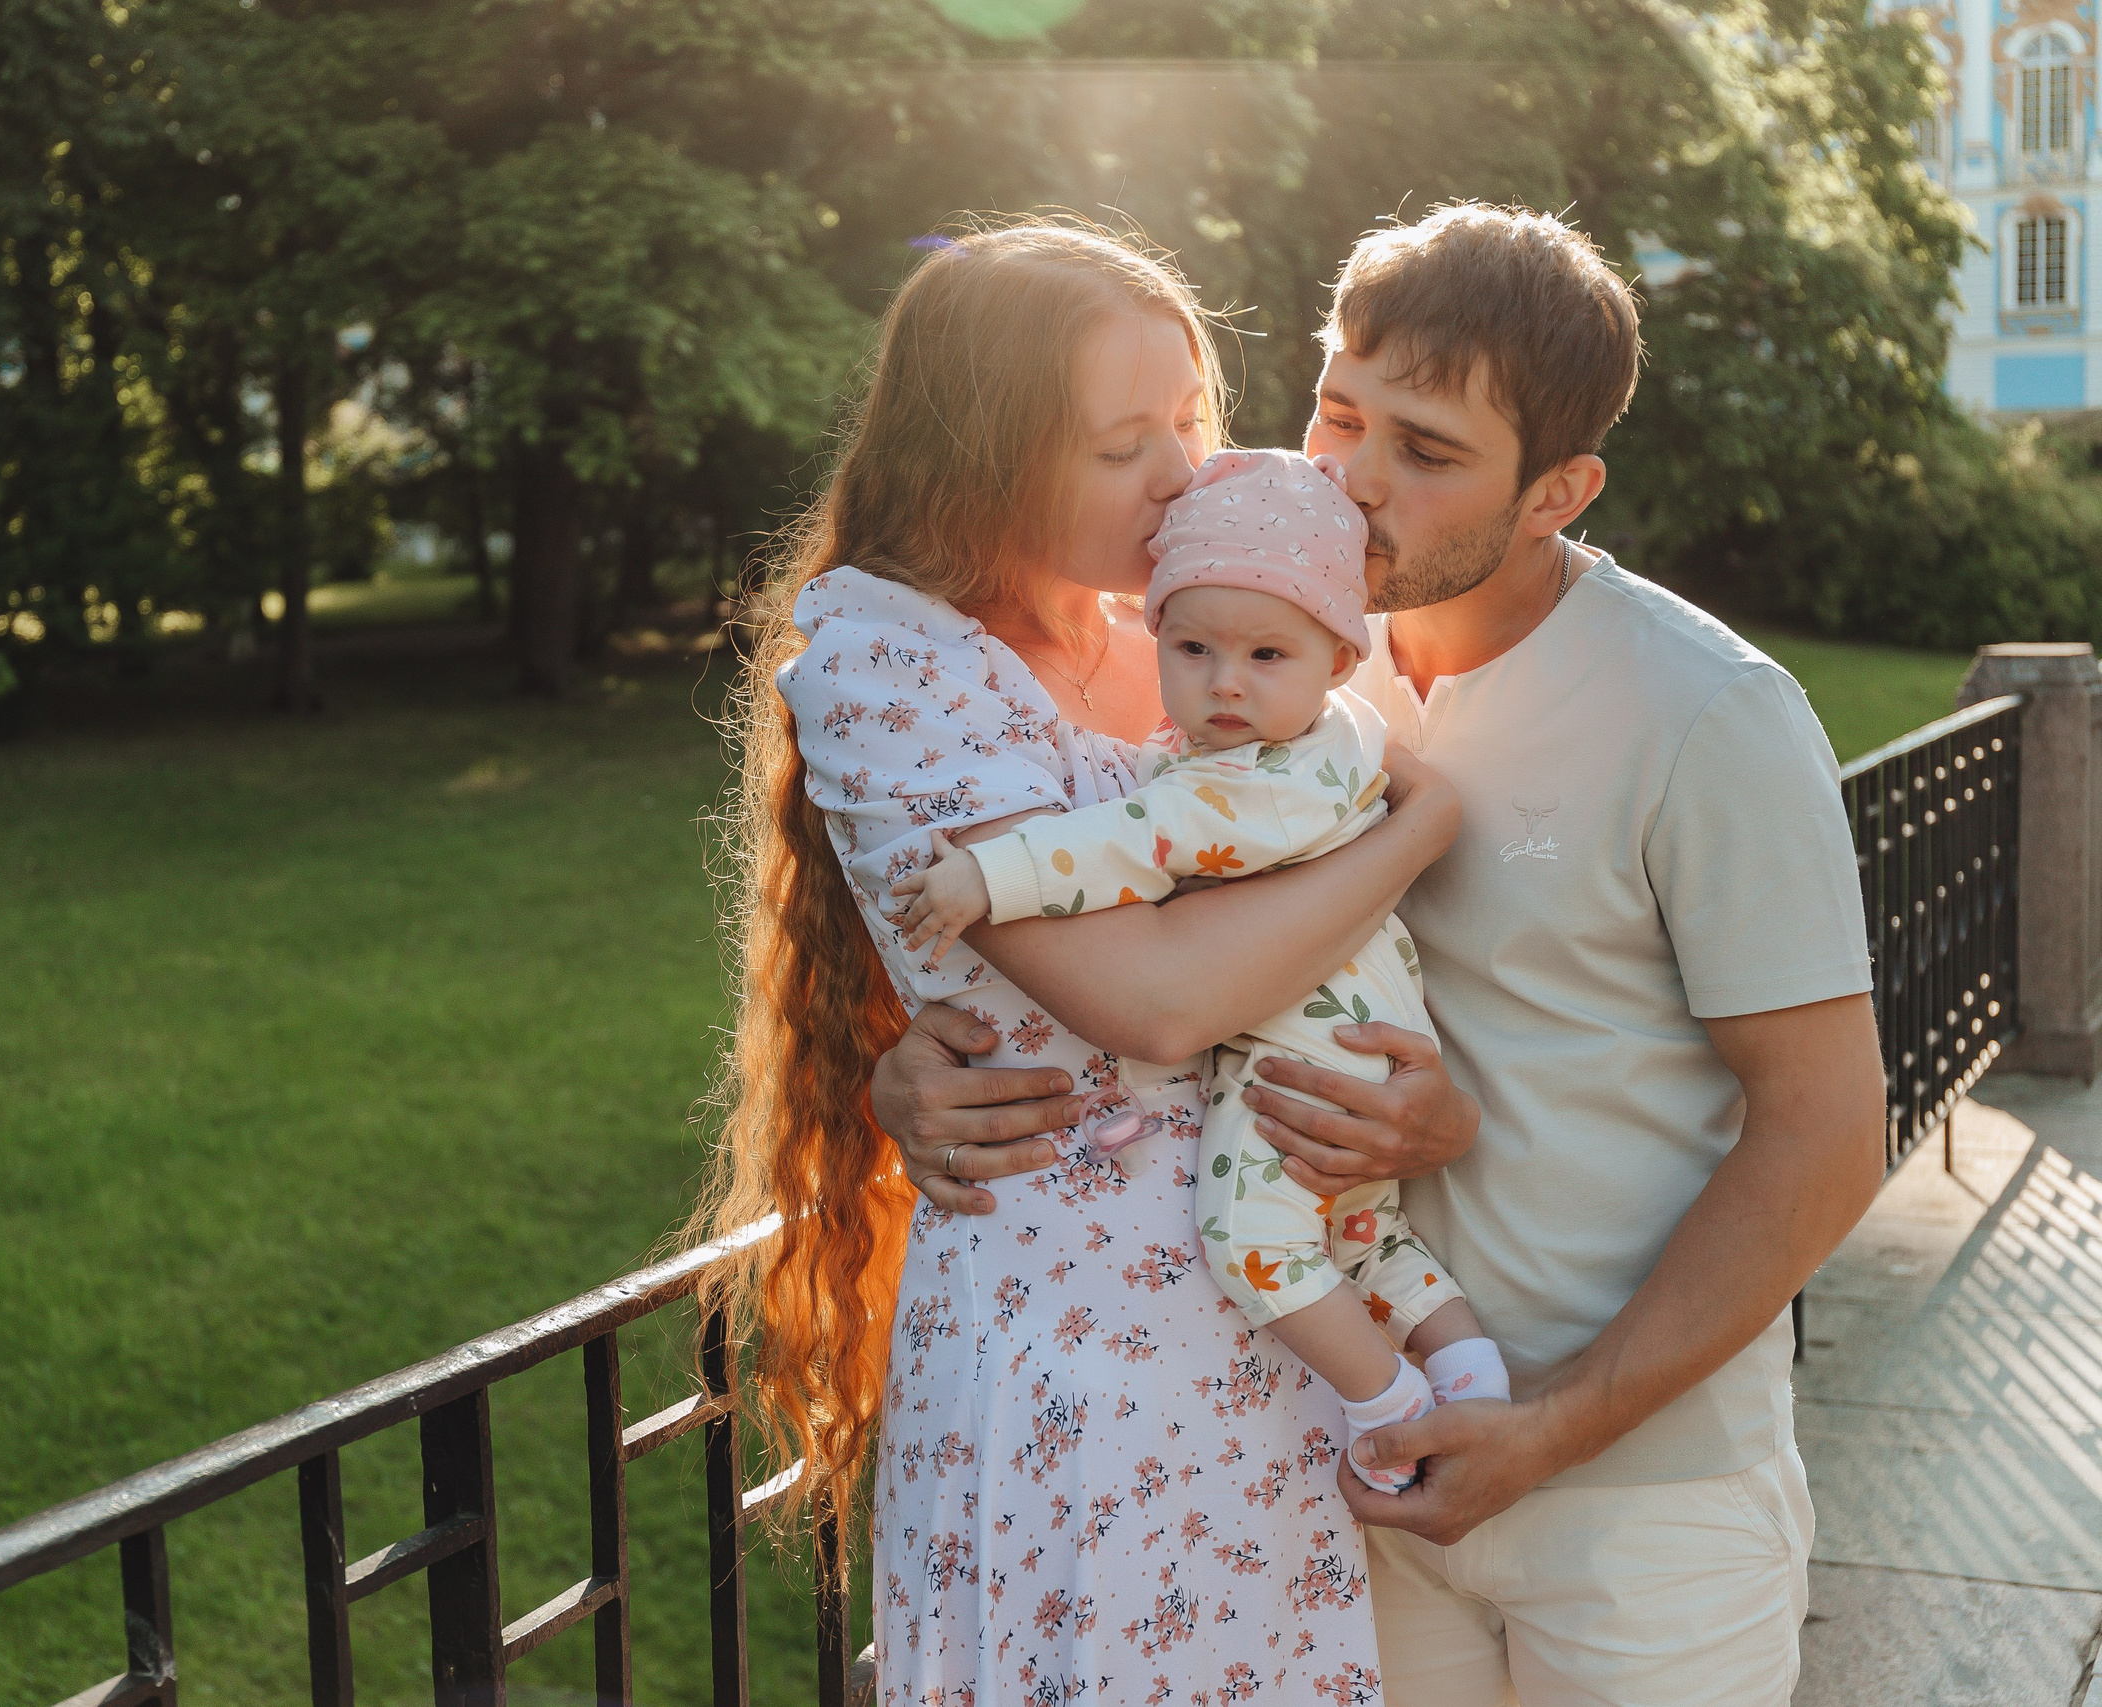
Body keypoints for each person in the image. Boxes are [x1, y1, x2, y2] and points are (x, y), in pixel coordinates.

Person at [867, 203, 1888, 1706]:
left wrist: (1552, 1427)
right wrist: (904, 1064)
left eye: (1428, 449)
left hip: (1634, 1498)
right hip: (1336, 1462)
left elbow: (1828, 1129)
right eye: (1341, 412)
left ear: (1558, 490)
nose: (1352, 476)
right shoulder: (1250, 666)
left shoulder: (1708, 715)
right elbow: (1102, 919)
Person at [695, 220, 1477, 1705]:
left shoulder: (1201, 628)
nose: (1183, 471)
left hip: (1273, 1304)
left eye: (1188, 419)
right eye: (1127, 445)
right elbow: (1157, 1001)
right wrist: (1411, 826)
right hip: (1080, 1344)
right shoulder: (892, 661)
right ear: (981, 459)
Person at [889, 446, 1510, 1494]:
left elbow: (1140, 837)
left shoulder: (1259, 784)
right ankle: (1470, 1374)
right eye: (1192, 648)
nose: (1224, 682)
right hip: (1352, 1059)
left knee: (1249, 1236)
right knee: (1362, 1243)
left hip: (1307, 1063)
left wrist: (989, 877)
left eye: (1266, 656)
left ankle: (1391, 1412)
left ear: (1335, 662)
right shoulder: (1331, 740)